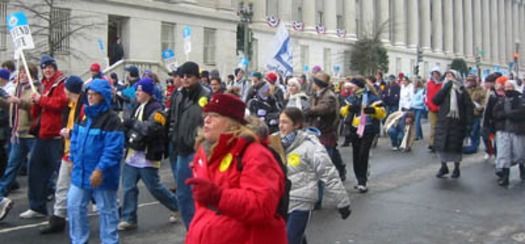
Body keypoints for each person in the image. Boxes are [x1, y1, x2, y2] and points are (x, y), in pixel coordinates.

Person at [185, 93, 287, 244]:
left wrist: (219, 196)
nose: (206, 120)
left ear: (232, 123)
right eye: (206, 115)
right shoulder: (206, 152)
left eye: (215, 116)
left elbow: (262, 206)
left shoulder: (255, 154)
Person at [278, 107, 351, 244]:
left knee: (290, 240)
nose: (280, 126)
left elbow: (328, 173)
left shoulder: (310, 146)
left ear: (297, 124)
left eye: (285, 122)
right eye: (280, 121)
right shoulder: (274, 142)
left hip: (300, 201)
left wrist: (342, 202)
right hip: (280, 201)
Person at [67, 78, 124, 244]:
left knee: (107, 210)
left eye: (94, 95)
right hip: (81, 171)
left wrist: (100, 169)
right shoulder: (84, 116)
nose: (90, 98)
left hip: (102, 176)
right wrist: (71, 158)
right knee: (74, 207)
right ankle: (78, 240)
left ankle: (110, 241)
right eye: (89, 94)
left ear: (103, 96)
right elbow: (76, 140)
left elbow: (113, 150)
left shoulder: (112, 120)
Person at [118, 78, 179, 230]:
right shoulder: (137, 106)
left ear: (148, 92)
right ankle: (129, 217)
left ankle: (176, 205)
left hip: (147, 155)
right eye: (137, 90)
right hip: (132, 154)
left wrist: (131, 124)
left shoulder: (158, 109)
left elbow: (151, 128)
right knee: (128, 187)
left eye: (140, 90)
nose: (137, 92)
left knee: (154, 187)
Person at [18, 55, 69, 219]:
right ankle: (37, 207)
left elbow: (61, 103)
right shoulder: (44, 85)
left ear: (55, 67)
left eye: (50, 67)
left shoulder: (62, 83)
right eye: (44, 67)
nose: (47, 70)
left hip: (56, 136)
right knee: (35, 170)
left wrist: (41, 99)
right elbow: (39, 110)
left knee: (67, 174)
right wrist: (36, 103)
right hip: (43, 135)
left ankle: (94, 200)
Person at [166, 61, 210, 229]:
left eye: (189, 76)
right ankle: (191, 231)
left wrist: (203, 145)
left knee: (200, 195)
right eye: (182, 76)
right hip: (181, 151)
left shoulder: (206, 96)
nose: (185, 79)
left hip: (198, 150)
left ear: (197, 77)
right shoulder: (178, 95)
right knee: (183, 196)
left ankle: (202, 231)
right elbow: (173, 120)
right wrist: (173, 138)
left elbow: (210, 121)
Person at [40, 75, 85, 234]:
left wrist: (70, 134)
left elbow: (86, 130)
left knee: (92, 188)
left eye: (65, 88)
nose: (63, 90)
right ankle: (58, 219)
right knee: (62, 186)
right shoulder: (70, 105)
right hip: (68, 151)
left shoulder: (83, 106)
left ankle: (113, 209)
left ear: (70, 89)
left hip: (80, 153)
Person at [0, 64, 40, 221]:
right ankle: (2, 198)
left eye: (25, 72)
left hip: (30, 133)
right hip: (17, 133)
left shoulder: (35, 89)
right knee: (11, 166)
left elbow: (34, 107)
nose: (22, 75)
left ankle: (46, 192)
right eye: (21, 72)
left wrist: (19, 102)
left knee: (36, 168)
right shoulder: (17, 88)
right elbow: (11, 105)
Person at [340, 77, 386, 192]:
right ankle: (359, 178)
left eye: (353, 86)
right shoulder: (352, 98)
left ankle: (363, 181)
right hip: (354, 129)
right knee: (356, 155)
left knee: (363, 154)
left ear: (359, 86)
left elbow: (382, 113)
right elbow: (342, 112)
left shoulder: (372, 97)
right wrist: (349, 108)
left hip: (368, 129)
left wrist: (373, 111)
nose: (351, 88)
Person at [433, 70, 473, 179]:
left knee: (455, 147)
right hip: (444, 121)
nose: (449, 77)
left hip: (457, 123)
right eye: (447, 75)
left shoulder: (461, 90)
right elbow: (436, 101)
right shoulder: (443, 89)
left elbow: (468, 107)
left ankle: (456, 168)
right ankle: (443, 166)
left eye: (451, 75)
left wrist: (469, 123)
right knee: (442, 145)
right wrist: (446, 88)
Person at [491, 80, 525, 186]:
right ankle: (505, 176)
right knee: (503, 154)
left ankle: (522, 168)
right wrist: (502, 115)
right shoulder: (501, 100)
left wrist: (509, 114)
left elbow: (521, 112)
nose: (508, 89)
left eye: (510, 87)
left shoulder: (521, 100)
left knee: (519, 153)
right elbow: (495, 113)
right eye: (506, 87)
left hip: (517, 130)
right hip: (503, 130)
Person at [463, 75, 486, 154]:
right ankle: (467, 145)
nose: (470, 82)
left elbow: (483, 99)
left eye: (472, 80)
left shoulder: (480, 90)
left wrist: (482, 107)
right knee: (467, 130)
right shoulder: (465, 90)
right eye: (469, 80)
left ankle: (474, 145)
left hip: (476, 112)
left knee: (475, 130)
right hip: (466, 113)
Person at [425, 66, 443, 153]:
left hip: (441, 108)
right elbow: (426, 96)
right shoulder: (429, 84)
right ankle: (432, 144)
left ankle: (439, 143)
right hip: (432, 108)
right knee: (433, 126)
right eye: (434, 73)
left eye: (437, 73)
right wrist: (429, 105)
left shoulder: (442, 84)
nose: (436, 75)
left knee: (441, 127)